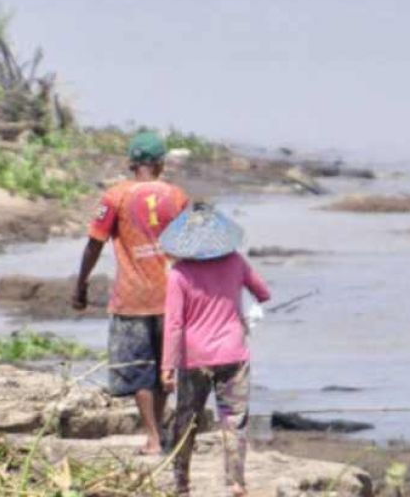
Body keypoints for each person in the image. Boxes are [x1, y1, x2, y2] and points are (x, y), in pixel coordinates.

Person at [72, 130, 190, 455]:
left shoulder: (115, 196)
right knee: (165, 368)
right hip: (172, 297)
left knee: (139, 370)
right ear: (161, 164)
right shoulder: (177, 197)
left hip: (132, 298)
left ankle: (153, 436)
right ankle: (161, 431)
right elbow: (192, 247)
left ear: (132, 164)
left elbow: (94, 244)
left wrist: (81, 283)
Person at [158, 204, 271, 497]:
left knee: (187, 419)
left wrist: (167, 366)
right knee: (234, 420)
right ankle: (236, 482)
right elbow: (263, 292)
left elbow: (174, 325)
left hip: (194, 359)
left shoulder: (179, 274)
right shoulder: (236, 262)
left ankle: (181, 484)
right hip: (233, 354)